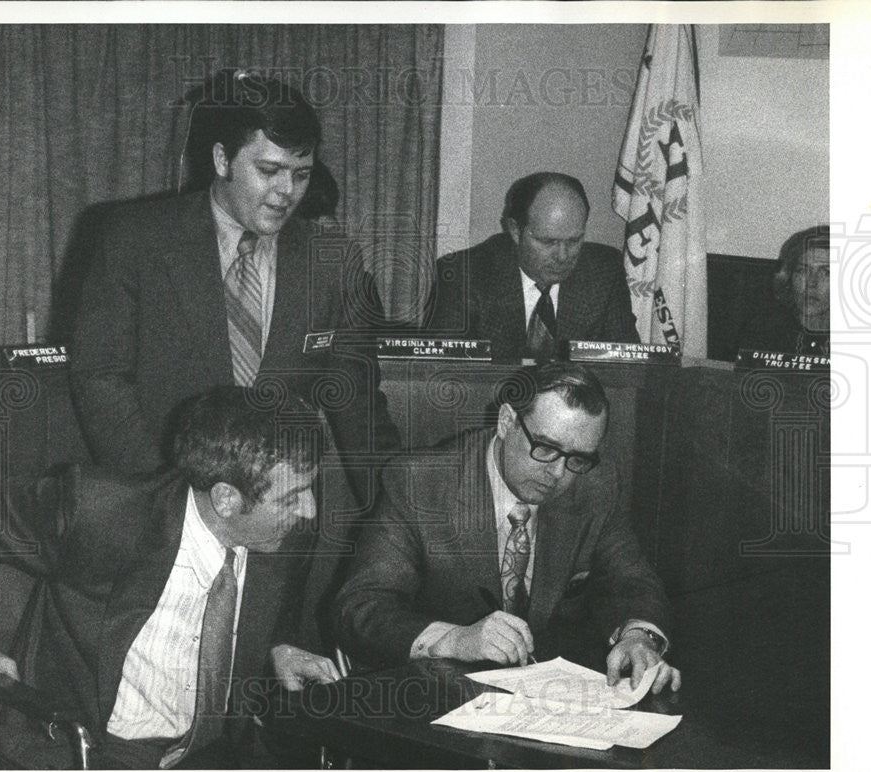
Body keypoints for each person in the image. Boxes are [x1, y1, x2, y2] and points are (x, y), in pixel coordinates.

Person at [0, 386, 341, 769]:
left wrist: (277, 646)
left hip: (213, 755)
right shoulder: (100, 513)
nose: (309, 510)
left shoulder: (284, 532)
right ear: (225, 499)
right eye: (292, 498)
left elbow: (255, 614)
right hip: (88, 748)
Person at [69, 71, 399, 498]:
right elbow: (100, 379)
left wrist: (403, 512)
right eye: (269, 170)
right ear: (222, 160)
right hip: (161, 511)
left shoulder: (332, 262)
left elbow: (358, 407)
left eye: (301, 174)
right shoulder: (134, 239)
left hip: (278, 531)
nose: (287, 192)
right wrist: (169, 498)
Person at [334, 363, 680, 695]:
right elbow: (361, 608)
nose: (558, 473)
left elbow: (632, 581)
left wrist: (639, 636)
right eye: (545, 448)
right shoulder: (420, 483)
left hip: (546, 706)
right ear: (506, 422)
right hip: (437, 699)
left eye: (577, 459)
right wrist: (455, 639)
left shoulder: (596, 486)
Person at [425, 172, 640, 362]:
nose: (563, 256)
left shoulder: (605, 271)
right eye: (548, 242)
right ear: (515, 231)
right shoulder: (464, 275)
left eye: (574, 241)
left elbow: (626, 371)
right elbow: (442, 373)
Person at [738, 225, 830, 357]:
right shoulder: (763, 331)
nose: (811, 283)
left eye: (826, 272)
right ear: (789, 276)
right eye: (802, 270)